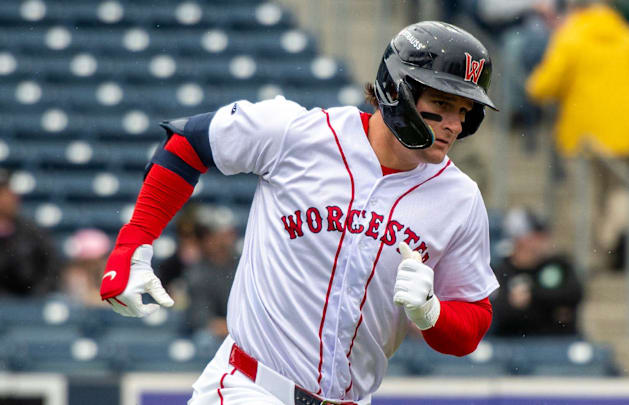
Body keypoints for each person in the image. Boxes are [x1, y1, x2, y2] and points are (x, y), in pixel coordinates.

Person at [100, 21, 499, 405]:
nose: (453, 124)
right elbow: (189, 142)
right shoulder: (300, 134)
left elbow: (471, 326)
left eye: (464, 111)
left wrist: (432, 312)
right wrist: (133, 243)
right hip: (251, 387)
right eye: (442, 104)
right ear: (398, 90)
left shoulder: (460, 199)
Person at [525, 0, 629, 269]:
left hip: (583, 134)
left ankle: (589, 259)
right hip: (624, 132)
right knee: (620, 192)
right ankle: (615, 235)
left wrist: (536, 86)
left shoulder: (572, 35)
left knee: (586, 198)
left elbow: (544, 85)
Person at [490, 208, 583, 337]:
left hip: (557, 341)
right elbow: (497, 310)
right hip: (514, 344)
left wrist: (532, 294)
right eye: (537, 236)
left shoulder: (557, 265)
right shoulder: (501, 270)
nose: (544, 241)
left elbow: (574, 294)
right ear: (521, 240)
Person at [0, 169, 60, 297]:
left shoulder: (32, 231)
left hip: (30, 301)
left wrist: (35, 298)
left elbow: (51, 268)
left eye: (6, 193)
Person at [184, 205, 238, 343]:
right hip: (215, 337)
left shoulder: (243, 264)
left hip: (241, 331)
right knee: (205, 338)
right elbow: (202, 319)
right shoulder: (198, 272)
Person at [61, 228, 111, 307]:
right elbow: (79, 299)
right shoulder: (74, 273)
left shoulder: (109, 272)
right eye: (83, 262)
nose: (89, 266)